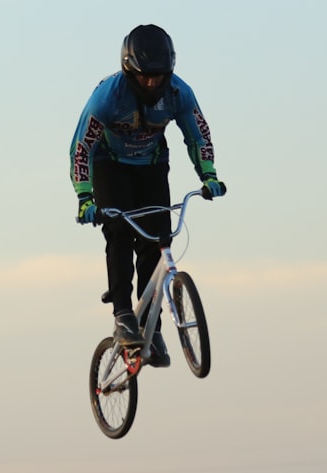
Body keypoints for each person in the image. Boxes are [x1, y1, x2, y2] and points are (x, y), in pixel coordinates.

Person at [70, 24, 226, 367]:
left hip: (152, 165)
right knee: (120, 231)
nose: (153, 84)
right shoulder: (107, 96)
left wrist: (209, 175)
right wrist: (85, 197)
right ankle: (124, 315)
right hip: (110, 164)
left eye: (160, 76)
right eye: (145, 77)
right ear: (129, 71)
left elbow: (198, 134)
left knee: (158, 239)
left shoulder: (179, 93)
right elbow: (81, 147)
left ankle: (149, 322)